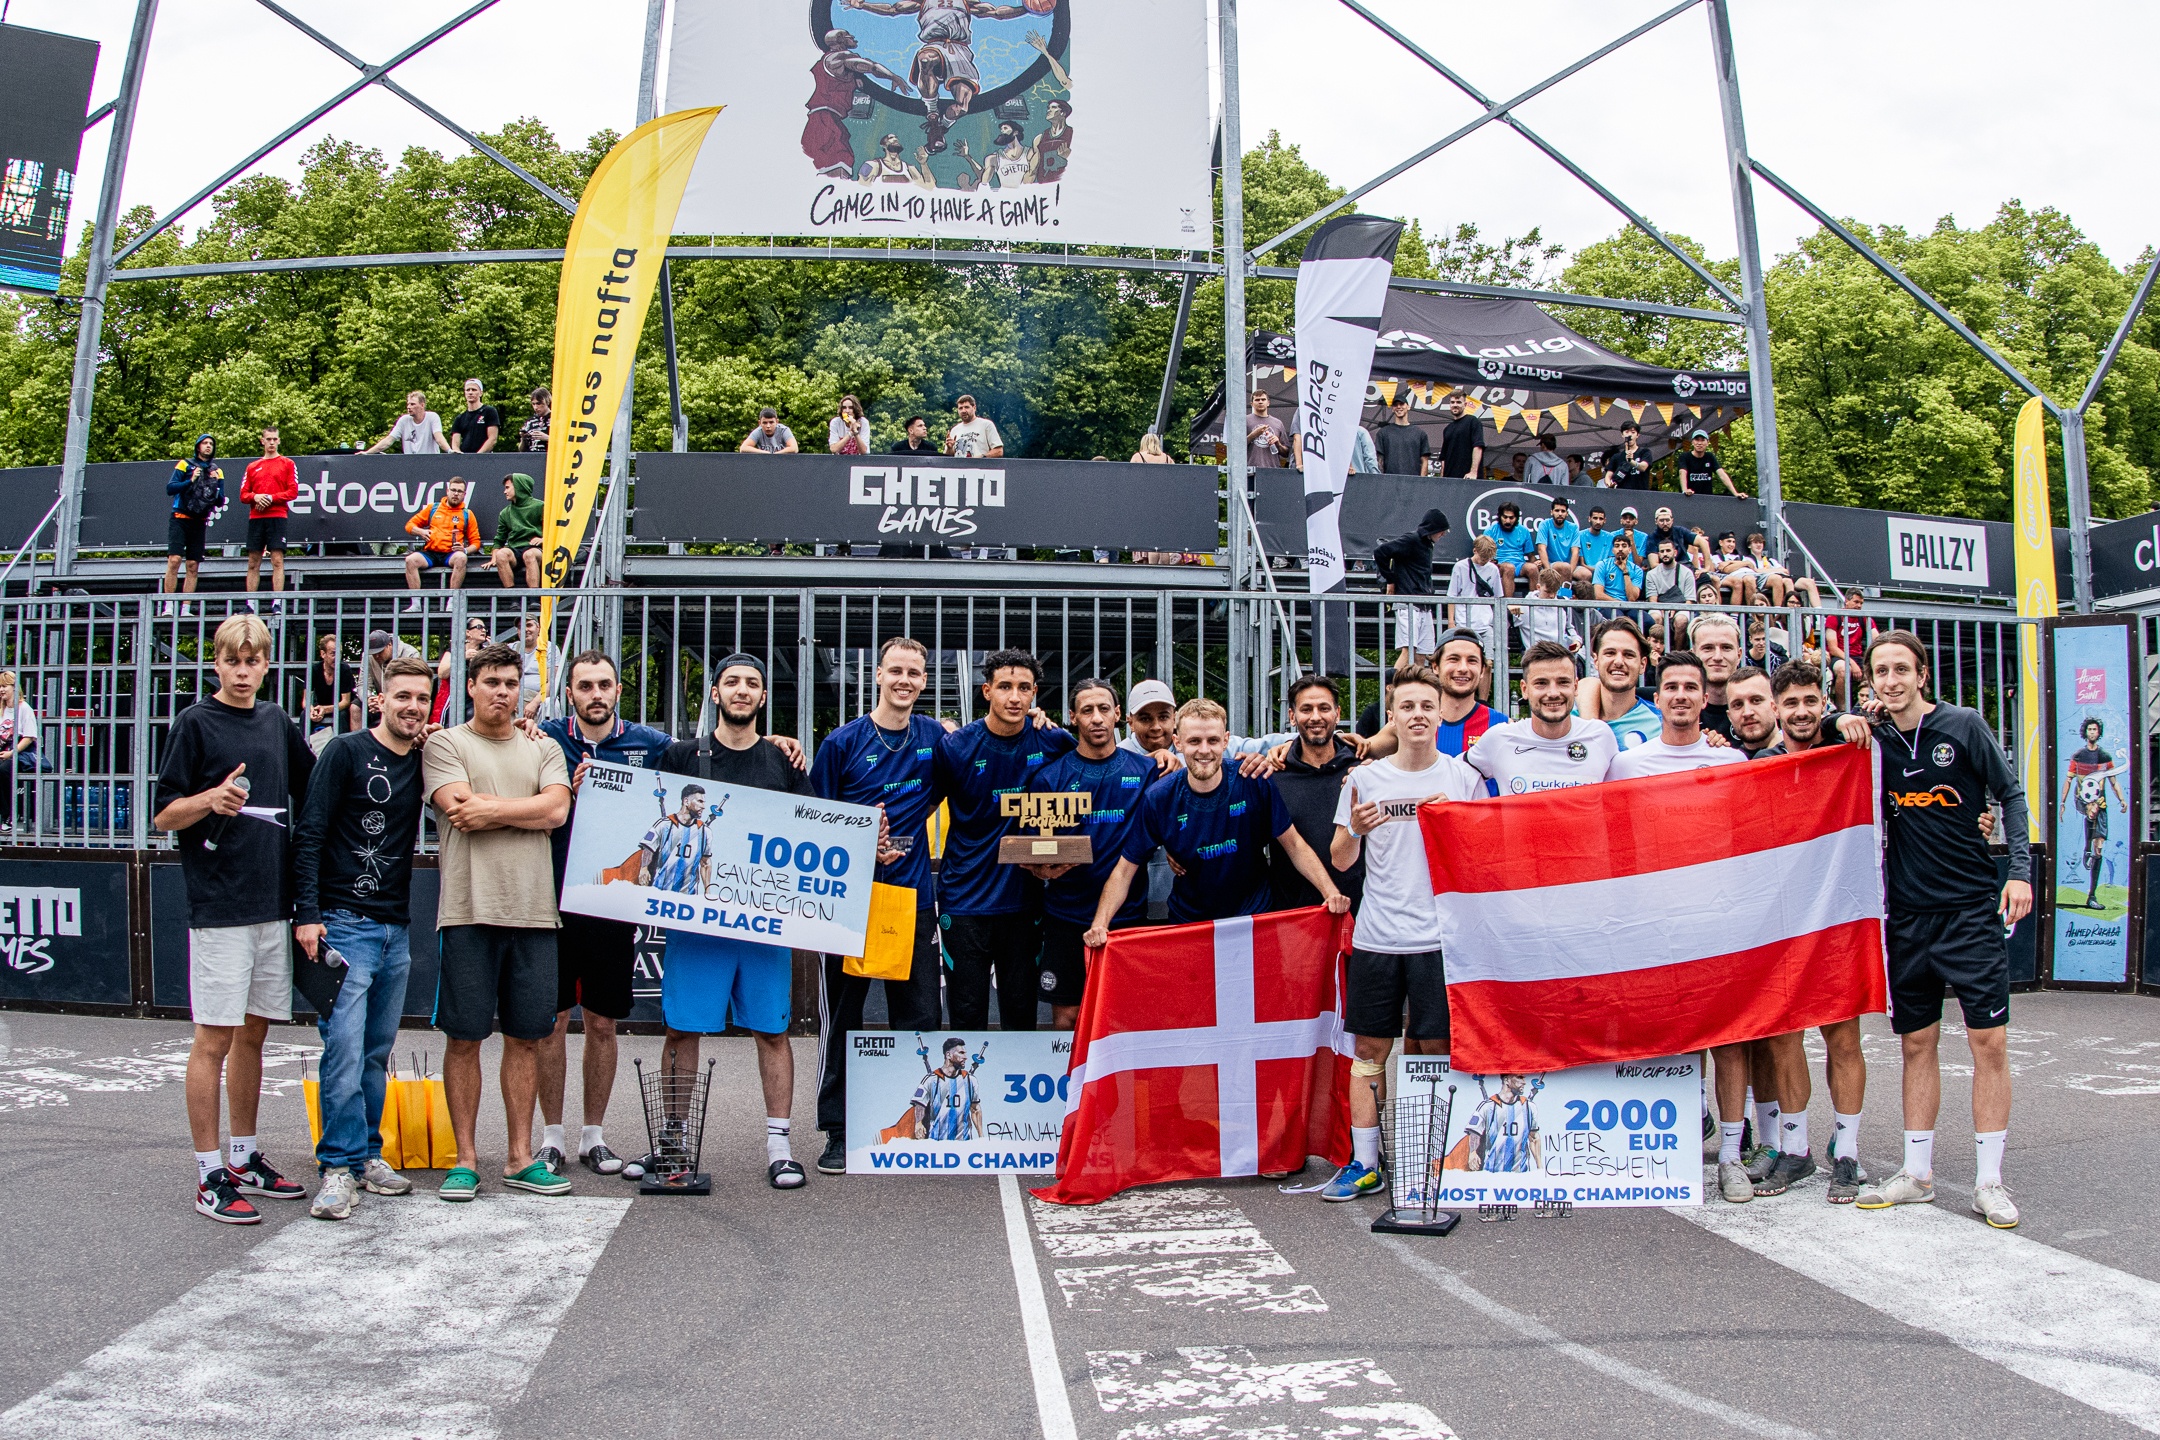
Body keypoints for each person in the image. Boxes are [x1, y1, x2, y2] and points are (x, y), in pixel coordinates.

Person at [1853, 631, 2031, 1227]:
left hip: (1970, 911)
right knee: (1915, 1044)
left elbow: (2010, 795)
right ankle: (1917, 1174)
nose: (1892, 680)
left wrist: (2019, 872)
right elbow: (1810, 733)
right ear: (1871, 680)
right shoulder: (1875, 740)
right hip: (1907, 916)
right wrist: (1841, 717)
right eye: (1881, 671)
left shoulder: (1964, 725)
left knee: (1990, 1044)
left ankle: (1989, 1182)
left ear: (1922, 674)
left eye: (1902, 669)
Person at [153, 614, 317, 1223]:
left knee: (254, 1035)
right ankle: (208, 1174)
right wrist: (210, 800)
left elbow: (316, 784)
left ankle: (244, 1157)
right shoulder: (195, 722)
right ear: (217, 664)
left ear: (266, 666)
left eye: (253, 662)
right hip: (220, 906)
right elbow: (163, 814)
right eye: (232, 661)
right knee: (213, 1039)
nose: (243, 672)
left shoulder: (276, 721)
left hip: (273, 904)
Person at [1324, 663, 1487, 1201]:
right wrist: (1356, 829)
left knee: (1438, 1048)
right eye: (1407, 707)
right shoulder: (1366, 779)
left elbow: (1482, 858)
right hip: (1378, 936)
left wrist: (1457, 820)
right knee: (1369, 1050)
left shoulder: (1462, 778)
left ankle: (1431, 1157)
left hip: (1441, 940)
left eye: (1426, 707)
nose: (1418, 715)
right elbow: (1340, 859)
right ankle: (1365, 1163)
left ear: (1441, 715)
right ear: (1391, 715)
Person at [656, 654, 818, 1189]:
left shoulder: (784, 761)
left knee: (772, 1030)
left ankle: (780, 1146)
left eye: (752, 683)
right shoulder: (681, 756)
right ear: (715, 693)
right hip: (697, 920)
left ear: (764, 697)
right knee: (681, 1028)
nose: (742, 690)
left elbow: (812, 831)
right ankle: (673, 1138)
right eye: (732, 682)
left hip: (764, 922)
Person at [422, 641, 574, 1202]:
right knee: (464, 1039)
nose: (503, 693)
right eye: (492, 682)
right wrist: (525, 811)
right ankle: (465, 1161)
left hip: (535, 915)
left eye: (511, 683)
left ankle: (519, 1157)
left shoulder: (544, 747)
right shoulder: (445, 743)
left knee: (527, 1039)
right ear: (471, 686)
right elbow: (459, 809)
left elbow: (556, 811)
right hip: (468, 912)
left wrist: (490, 808)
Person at [292, 655, 432, 1220]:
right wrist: (307, 914)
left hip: (396, 928)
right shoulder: (345, 752)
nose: (412, 707)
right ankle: (337, 1167)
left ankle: (368, 1155)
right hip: (344, 923)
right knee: (344, 1050)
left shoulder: (426, 757)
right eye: (402, 696)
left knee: (375, 1052)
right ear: (380, 699)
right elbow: (310, 832)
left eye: (422, 698)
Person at [809, 637, 949, 1173]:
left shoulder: (935, 737)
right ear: (878, 675)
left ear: (924, 680)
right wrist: (860, 842)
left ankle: (917, 1125)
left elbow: (960, 777)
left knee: (920, 1017)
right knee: (844, 1018)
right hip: (850, 902)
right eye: (896, 671)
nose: (905, 681)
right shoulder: (842, 743)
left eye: (915, 673)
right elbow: (815, 819)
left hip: (911, 900)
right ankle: (838, 1130)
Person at [533, 650, 674, 1179]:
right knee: (550, 1023)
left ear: (618, 690)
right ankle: (551, 1138)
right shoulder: (544, 739)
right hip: (550, 900)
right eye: (586, 685)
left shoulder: (650, 744)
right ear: (569, 692)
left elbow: (710, 764)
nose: (596, 694)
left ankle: (593, 1136)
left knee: (602, 1023)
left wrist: (774, 741)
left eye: (605, 685)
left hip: (611, 905)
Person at [1085, 698, 1349, 941]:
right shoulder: (1158, 797)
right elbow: (1124, 870)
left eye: (1212, 740)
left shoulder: (1253, 780)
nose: (1204, 750)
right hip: (1191, 925)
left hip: (1255, 920)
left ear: (1225, 741)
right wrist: (1100, 924)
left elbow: (1294, 844)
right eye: (1194, 741)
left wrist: (1331, 893)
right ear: (1178, 742)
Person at [1759, 658, 1873, 1202]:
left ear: (1824, 704)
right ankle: (1796, 1149)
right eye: (1792, 703)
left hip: (1838, 915)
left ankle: (1847, 1152)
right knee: (1785, 1038)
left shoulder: (1848, 752)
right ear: (1775, 709)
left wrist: (1841, 720)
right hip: (1782, 920)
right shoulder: (1759, 766)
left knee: (1842, 1037)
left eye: (1811, 702)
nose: (1801, 711)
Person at [934, 649, 1074, 1029]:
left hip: (1023, 902)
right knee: (966, 1015)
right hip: (964, 900)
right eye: (1005, 687)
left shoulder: (1053, 741)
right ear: (987, 691)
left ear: (1034, 694)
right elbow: (920, 807)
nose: (1015, 697)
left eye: (1024, 688)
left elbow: (1097, 775)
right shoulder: (956, 747)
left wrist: (1164, 758)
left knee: (1020, 1015)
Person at [1024, 679, 1161, 1031]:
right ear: (1073, 717)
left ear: (1118, 714)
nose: (1096, 718)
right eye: (1087, 710)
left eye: (1104, 709)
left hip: (1126, 917)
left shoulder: (1147, 771)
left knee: (1126, 1018)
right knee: (1068, 1019)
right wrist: (1041, 868)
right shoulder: (1050, 778)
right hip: (1066, 916)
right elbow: (1035, 846)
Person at [1266, 675, 1368, 916]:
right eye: (1306, 709)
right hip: (1293, 917)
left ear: (1337, 714)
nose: (1315, 717)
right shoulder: (1273, 777)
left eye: (1324, 708)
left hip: (1361, 914)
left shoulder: (1362, 770)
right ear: (1292, 716)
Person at [1465, 640, 1618, 796]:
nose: (1553, 693)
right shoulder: (1499, 739)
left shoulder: (1600, 737)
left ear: (1575, 686)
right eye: (1541, 683)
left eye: (1563, 682)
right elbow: (1455, 775)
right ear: (1525, 689)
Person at [2062, 716, 2127, 910]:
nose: (2092, 732)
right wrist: (2063, 802)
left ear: (2099, 733)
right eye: (2089, 729)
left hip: (2100, 802)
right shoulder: (2078, 756)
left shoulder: (2104, 756)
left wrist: (2121, 800)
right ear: (2085, 732)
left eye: (2095, 730)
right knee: (2092, 807)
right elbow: (2069, 780)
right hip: (2083, 800)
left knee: (2099, 848)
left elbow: (2113, 782)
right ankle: (2087, 847)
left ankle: (2092, 895)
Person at [1374, 508, 1450, 668]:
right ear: (1433, 529)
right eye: (1442, 531)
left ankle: (1418, 684)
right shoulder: (1412, 539)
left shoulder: (1427, 544)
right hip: (1408, 603)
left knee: (1422, 655)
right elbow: (1380, 552)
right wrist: (1390, 580)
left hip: (1424, 604)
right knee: (1408, 651)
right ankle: (1391, 684)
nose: (1443, 534)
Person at [1574, 617, 1660, 752]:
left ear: (1642, 665)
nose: (1618, 662)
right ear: (1596, 661)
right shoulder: (1569, 719)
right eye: (1610, 653)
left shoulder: (1661, 724)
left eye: (1628, 655)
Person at [401, 476, 482, 608]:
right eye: (453, 490)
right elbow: (409, 525)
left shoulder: (467, 514)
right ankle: (415, 604)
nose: (456, 494)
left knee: (461, 558)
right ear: (447, 491)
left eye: (459, 491)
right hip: (431, 552)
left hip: (451, 554)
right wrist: (421, 531)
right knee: (410, 560)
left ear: (464, 494)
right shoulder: (433, 508)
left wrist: (465, 550)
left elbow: (476, 543)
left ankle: (452, 602)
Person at [239, 425, 297, 606]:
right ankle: (250, 603)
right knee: (253, 561)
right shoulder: (253, 466)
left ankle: (277, 601)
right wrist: (256, 497)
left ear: (279, 441)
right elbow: (243, 494)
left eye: (274, 439)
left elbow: (293, 492)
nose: (272, 442)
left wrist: (271, 498)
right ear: (262, 441)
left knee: (277, 559)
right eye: (268, 439)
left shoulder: (287, 463)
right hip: (256, 517)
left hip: (278, 516)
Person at [163, 435, 224, 605]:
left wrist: (215, 484)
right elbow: (170, 488)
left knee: (192, 565)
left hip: (199, 521)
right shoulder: (185, 464)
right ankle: (168, 604)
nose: (208, 446)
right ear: (198, 446)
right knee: (174, 560)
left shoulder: (217, 471)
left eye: (211, 443)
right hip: (180, 518)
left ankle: (186, 607)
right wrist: (190, 480)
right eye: (205, 443)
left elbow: (220, 501)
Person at [1446, 537, 1504, 663]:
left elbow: (1498, 597)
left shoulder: (1493, 569)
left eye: (1488, 558)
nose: (1485, 561)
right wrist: (1451, 622)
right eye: (1483, 557)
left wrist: (1495, 623)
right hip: (1463, 623)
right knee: (1466, 660)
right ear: (1475, 551)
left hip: (1486, 623)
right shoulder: (1460, 566)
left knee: (1488, 662)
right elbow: (1452, 596)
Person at [1690, 613, 1744, 742]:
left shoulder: (1759, 708)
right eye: (1708, 648)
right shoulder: (1677, 707)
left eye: (1726, 648)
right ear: (1693, 655)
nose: (1718, 657)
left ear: (1739, 655)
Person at [1641, 538, 1698, 651]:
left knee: (1681, 620)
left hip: (1682, 607)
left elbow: (1689, 601)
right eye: (1662, 551)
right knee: (1655, 617)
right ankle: (1655, 652)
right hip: (1658, 606)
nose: (1665, 554)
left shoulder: (1687, 573)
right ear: (1658, 554)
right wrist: (1663, 609)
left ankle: (1677, 653)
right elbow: (1653, 600)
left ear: (1675, 552)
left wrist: (1676, 608)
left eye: (1668, 550)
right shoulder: (1652, 574)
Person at [490, 473, 543, 589]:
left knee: (529, 555)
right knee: (501, 554)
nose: (505, 492)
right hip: (515, 550)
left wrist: (543, 539)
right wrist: (494, 558)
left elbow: (555, 531)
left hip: (536, 549)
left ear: (519, 487)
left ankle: (534, 597)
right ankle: (512, 596)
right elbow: (499, 540)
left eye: (507, 487)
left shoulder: (540, 506)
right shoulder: (505, 512)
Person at [1742, 531, 1820, 610]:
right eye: (1755, 542)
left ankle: (1819, 613)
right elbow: (1755, 571)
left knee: (1809, 582)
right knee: (1787, 581)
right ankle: (1790, 611)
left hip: (1783, 576)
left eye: (1760, 542)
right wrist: (1774, 570)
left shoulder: (1770, 560)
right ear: (1749, 545)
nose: (1759, 545)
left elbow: (1785, 571)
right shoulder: (1748, 559)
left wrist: (1766, 570)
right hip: (1769, 580)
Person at [1515, 566, 1581, 657]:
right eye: (1548, 591)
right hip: (1536, 656)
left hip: (1560, 654)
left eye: (1555, 592)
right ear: (1538, 587)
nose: (1552, 596)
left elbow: (1569, 628)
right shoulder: (1521, 607)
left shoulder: (1564, 603)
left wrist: (1576, 640)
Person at [0, 670, 36, 833]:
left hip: (19, 752)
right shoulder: (1, 709)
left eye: (4, 686)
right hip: (3, 749)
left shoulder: (24, 708)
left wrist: (12, 753)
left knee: (3, 770)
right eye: (0, 686)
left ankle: (8, 814)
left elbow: (29, 737)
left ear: (14, 687)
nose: (1, 690)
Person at [307, 634, 358, 750]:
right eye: (333, 654)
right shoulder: (314, 670)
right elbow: (306, 700)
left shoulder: (344, 669)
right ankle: (305, 751)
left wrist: (325, 709)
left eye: (339, 653)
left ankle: (342, 750)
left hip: (340, 708)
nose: (337, 657)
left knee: (342, 715)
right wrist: (312, 710)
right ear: (323, 654)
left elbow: (345, 702)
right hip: (321, 707)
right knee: (305, 715)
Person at [1534, 496, 1591, 594]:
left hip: (1570, 566)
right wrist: (1548, 571)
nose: (1560, 513)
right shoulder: (1544, 525)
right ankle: (1564, 599)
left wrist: (1570, 572)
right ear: (1551, 512)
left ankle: (1577, 602)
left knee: (1586, 574)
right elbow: (1541, 549)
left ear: (1567, 513)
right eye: (1557, 510)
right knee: (1564, 567)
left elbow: (1575, 552)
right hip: (1550, 564)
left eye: (1563, 511)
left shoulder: (1573, 527)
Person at [364, 391, 447, 455]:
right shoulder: (404, 420)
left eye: (412, 404)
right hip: (410, 464)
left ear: (422, 405)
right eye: (408, 404)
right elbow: (388, 441)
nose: (408, 407)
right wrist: (367, 453)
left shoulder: (432, 417)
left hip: (430, 463)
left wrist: (450, 451)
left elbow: (439, 438)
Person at [1481, 501, 1536, 598]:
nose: (1508, 521)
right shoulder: (1490, 531)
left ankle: (1535, 604)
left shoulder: (1524, 531)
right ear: (1499, 517)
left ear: (1516, 518)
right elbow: (1483, 555)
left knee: (1533, 568)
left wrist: (1535, 563)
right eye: (1505, 517)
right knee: (1509, 568)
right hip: (1500, 565)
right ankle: (1508, 605)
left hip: (1519, 564)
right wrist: (1490, 562)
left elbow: (1531, 555)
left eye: (1511, 518)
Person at [1372, 394, 1432, 476]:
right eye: (1395, 405)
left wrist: (1421, 482)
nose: (1398, 407)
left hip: (1413, 481)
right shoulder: (1383, 433)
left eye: (1402, 404)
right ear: (1392, 409)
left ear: (1408, 407)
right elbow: (1379, 460)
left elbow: (1424, 461)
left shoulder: (1420, 434)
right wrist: (1381, 481)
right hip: (1390, 480)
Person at [1590, 532, 1644, 616]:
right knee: (1620, 619)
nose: (1620, 549)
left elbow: (1632, 598)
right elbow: (1598, 595)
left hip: (1629, 606)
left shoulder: (1637, 570)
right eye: (1617, 546)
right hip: (1608, 605)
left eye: (1624, 546)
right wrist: (1620, 604)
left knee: (1648, 621)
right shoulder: (1602, 565)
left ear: (1630, 550)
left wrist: (1625, 571)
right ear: (1613, 550)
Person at [1675, 429, 1742, 497]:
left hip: (1706, 499)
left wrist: (1735, 493)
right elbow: (1682, 472)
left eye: (1702, 440)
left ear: (1707, 443)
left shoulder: (1709, 457)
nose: (1699, 443)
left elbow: (1722, 474)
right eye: (1697, 440)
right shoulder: (1685, 456)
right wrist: (1685, 491)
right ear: (1692, 442)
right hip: (1688, 498)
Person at [1437, 390, 1483, 479]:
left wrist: (1473, 472)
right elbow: (1443, 457)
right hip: (1449, 479)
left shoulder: (1473, 422)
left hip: (1468, 479)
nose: (1455, 405)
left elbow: (1478, 447)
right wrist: (1442, 478)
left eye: (1458, 402)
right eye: (1452, 402)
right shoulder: (1447, 429)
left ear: (1465, 404)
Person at [448, 378, 501, 454]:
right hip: (465, 458)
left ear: (481, 393)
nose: (470, 392)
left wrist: (477, 456)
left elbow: (492, 439)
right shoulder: (460, 418)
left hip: (484, 458)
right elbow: (455, 444)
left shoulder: (489, 411)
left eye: (474, 390)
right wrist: (459, 455)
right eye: (468, 390)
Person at [1707, 531, 1759, 606]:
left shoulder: (1741, 556)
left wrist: (1731, 562)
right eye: (1729, 541)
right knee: (1746, 580)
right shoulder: (1716, 557)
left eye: (1733, 542)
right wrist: (1745, 563)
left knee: (1775, 579)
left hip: (1752, 574)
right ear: (1721, 543)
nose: (1731, 544)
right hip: (1732, 577)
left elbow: (1752, 566)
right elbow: (1726, 569)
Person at [945, 394, 1004, 459]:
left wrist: (980, 458)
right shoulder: (955, 430)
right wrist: (949, 448)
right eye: (960, 408)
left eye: (966, 407)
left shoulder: (986, 425)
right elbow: (948, 458)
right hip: (959, 465)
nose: (963, 411)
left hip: (980, 465)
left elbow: (999, 451)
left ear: (974, 408)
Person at [1244, 391, 1291, 470]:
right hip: (1250, 471)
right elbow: (1236, 447)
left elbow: (1286, 453)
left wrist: (1278, 443)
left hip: (1273, 470)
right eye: (1257, 400)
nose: (1260, 402)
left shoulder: (1278, 423)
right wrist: (1253, 435)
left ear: (1268, 403)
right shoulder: (1245, 420)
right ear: (1251, 404)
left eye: (1263, 399)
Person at [1606, 421, 1653, 490]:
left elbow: (1643, 467)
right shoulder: (1616, 457)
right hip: (1622, 494)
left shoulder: (1644, 452)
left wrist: (1631, 461)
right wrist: (1609, 484)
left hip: (1640, 493)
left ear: (1637, 435)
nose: (1630, 435)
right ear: (1622, 434)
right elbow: (1608, 476)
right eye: (1627, 432)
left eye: (1633, 432)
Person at [518, 387, 550, 455]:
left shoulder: (557, 420)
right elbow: (521, 450)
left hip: (550, 457)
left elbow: (566, 444)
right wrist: (523, 438)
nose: (535, 407)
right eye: (533, 404)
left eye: (539, 403)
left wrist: (547, 438)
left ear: (547, 402)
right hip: (531, 458)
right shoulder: (529, 422)